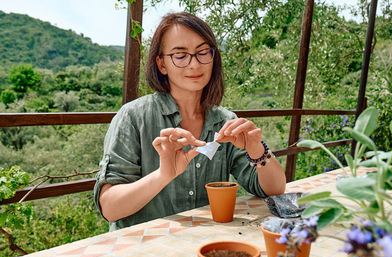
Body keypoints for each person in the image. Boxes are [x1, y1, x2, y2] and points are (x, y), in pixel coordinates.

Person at [94, 11, 286, 231]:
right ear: (161, 64)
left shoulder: (225, 121)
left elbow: (274, 190)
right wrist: (163, 175)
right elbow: (109, 208)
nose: (194, 65)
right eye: (180, 55)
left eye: (203, 52)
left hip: (204, 246)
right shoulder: (133, 117)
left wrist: (256, 149)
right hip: (145, 250)